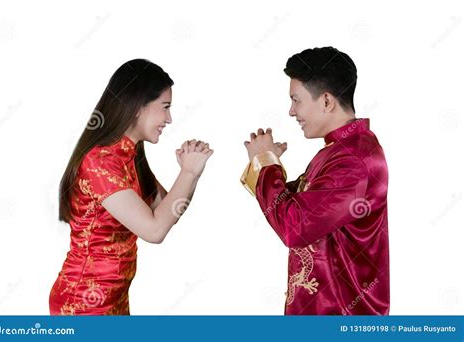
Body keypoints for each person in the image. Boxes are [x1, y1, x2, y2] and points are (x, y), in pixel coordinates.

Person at [50, 59, 213, 315]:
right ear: (138, 106)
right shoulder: (100, 162)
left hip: (114, 298)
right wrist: (188, 172)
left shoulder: (130, 155)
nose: (169, 118)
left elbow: (166, 212)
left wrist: (191, 176)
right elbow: (154, 231)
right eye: (165, 107)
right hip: (83, 303)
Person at [241, 47, 389, 315]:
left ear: (326, 101)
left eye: (296, 100)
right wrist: (267, 164)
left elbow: (294, 226)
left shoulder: (352, 158)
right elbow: (297, 207)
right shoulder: (338, 151)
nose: (291, 111)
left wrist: (265, 163)